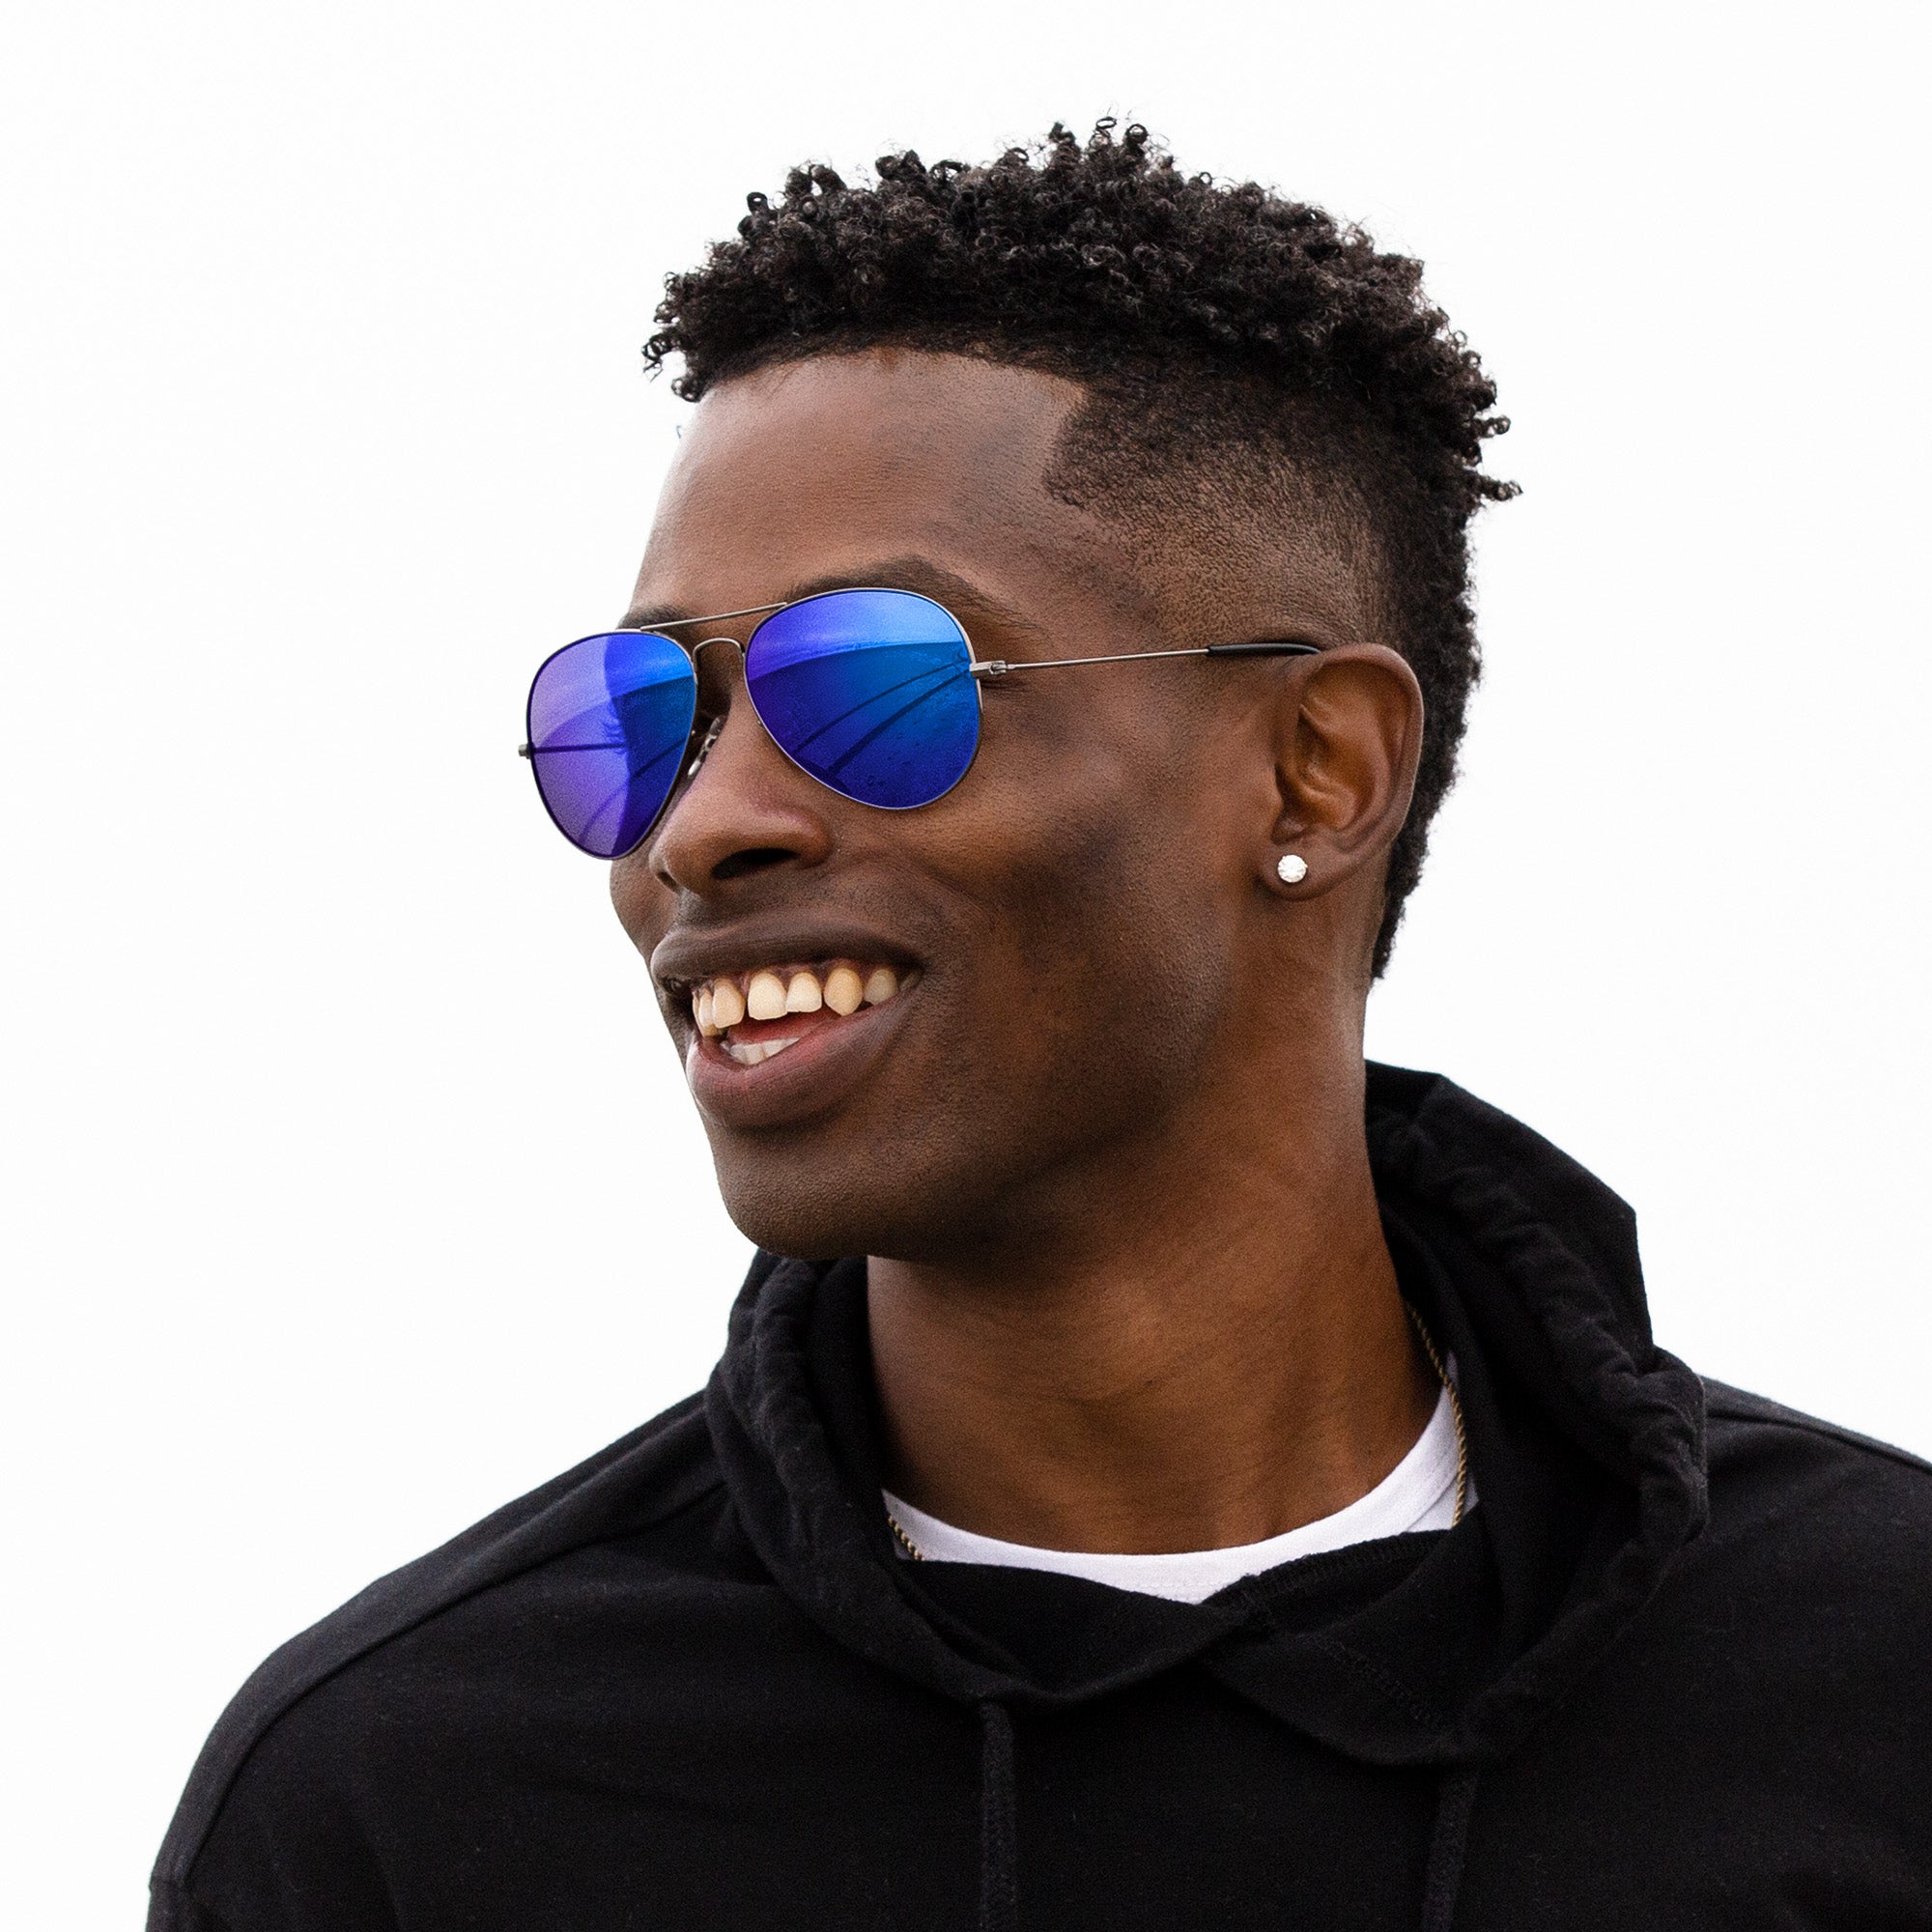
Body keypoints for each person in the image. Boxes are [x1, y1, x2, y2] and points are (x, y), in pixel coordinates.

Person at [151, 123, 1932, 1931]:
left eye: (874, 684)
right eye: (644, 713)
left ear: (1317, 769)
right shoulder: (409, 1807)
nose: (702, 826)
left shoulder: (1877, 1681)